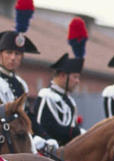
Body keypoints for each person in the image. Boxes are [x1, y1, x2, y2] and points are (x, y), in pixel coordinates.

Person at [35, 17, 87, 147]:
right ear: (63, 75)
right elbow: (44, 126)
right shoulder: (46, 95)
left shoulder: (70, 101)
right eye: (75, 77)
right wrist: (77, 132)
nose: (77, 81)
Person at [0, 0, 39, 105]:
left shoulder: (22, 85)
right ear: (0, 55)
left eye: (17, 54)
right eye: (9, 53)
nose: (13, 57)